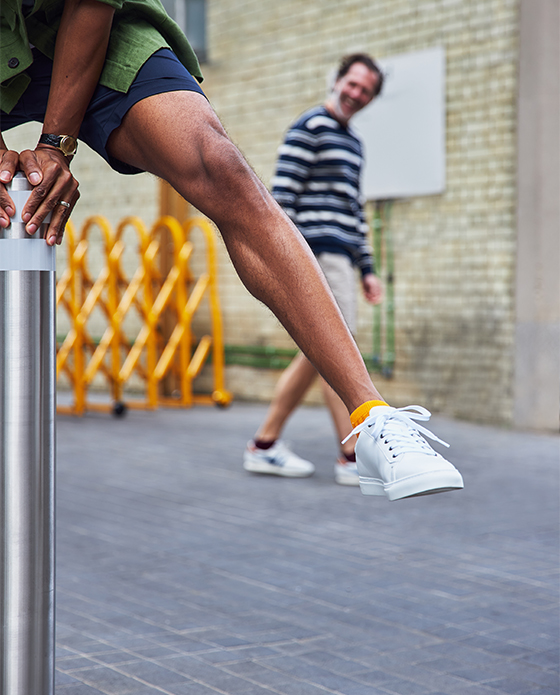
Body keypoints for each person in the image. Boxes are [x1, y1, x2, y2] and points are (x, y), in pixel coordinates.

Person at [0, 0, 463, 501]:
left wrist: (55, 144)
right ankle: (269, 440)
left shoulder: (353, 143)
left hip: (90, 23)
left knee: (221, 166)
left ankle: (373, 420)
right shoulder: (313, 129)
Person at [244, 53, 386, 486]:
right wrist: (285, 258)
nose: (356, 94)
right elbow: (280, 198)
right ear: (338, 79)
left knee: (318, 349)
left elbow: (353, 210)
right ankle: (350, 454)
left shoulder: (354, 143)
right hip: (316, 253)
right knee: (336, 346)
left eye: (366, 91)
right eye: (353, 83)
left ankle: (265, 444)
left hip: (343, 256)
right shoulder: (310, 128)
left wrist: (367, 268)